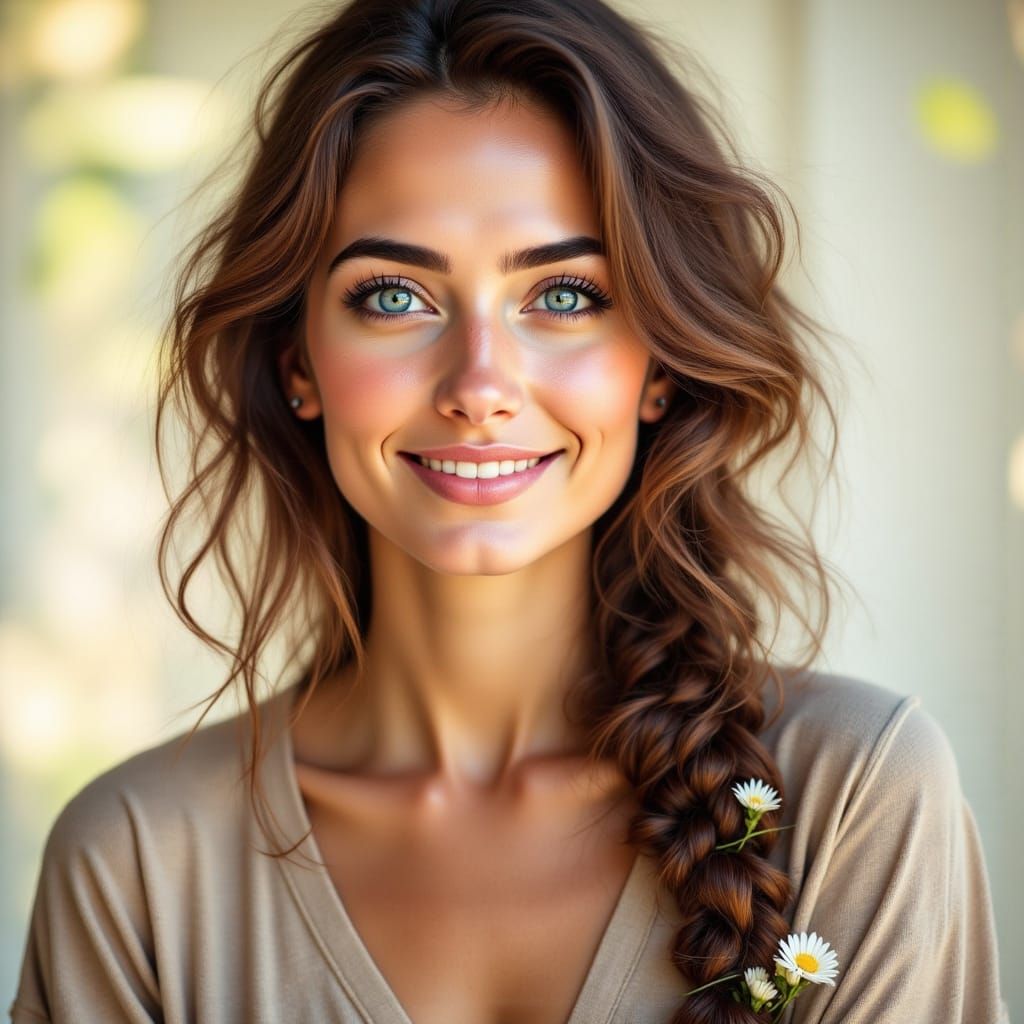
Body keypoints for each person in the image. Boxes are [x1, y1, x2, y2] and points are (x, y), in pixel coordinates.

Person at [8, 0, 1009, 1022]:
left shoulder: (852, 793)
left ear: (656, 361)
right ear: (296, 360)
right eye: (394, 295)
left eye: (564, 295)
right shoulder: (135, 862)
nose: (479, 384)